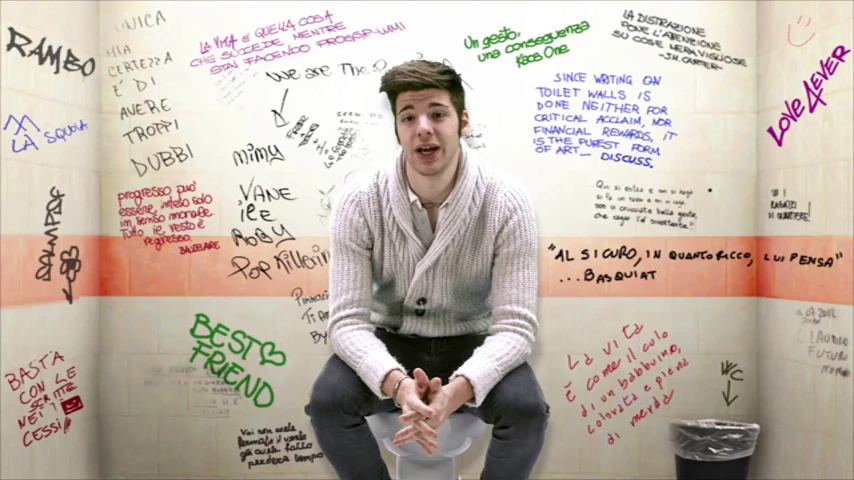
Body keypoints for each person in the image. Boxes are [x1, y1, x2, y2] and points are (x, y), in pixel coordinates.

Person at [304, 59, 549, 480]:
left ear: (462, 122)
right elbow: (346, 323)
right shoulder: (358, 200)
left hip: (470, 342)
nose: (423, 128)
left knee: (526, 412)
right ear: (397, 130)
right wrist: (397, 385)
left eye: (437, 114)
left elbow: (516, 328)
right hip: (390, 341)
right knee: (328, 404)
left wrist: (458, 391)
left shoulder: (508, 201)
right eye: (408, 117)